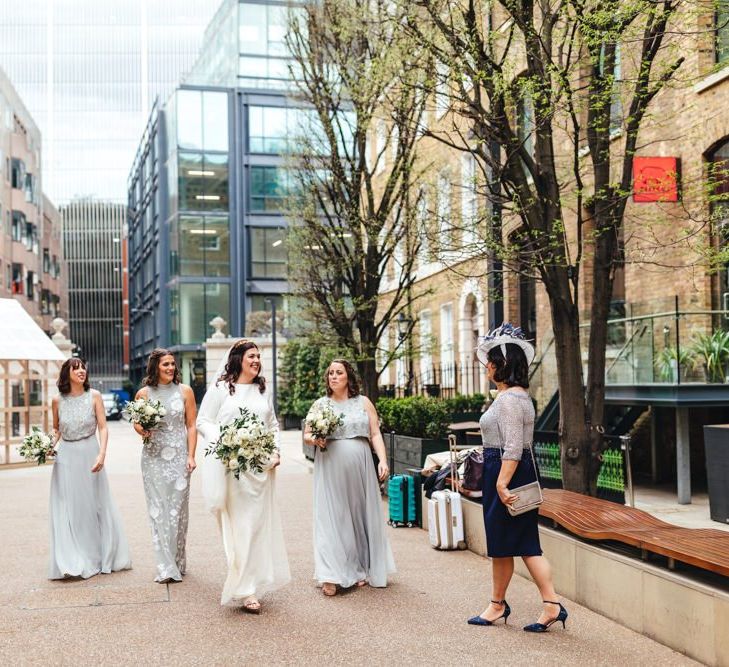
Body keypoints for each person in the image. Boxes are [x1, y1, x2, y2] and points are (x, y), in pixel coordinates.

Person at [469, 323, 568, 633]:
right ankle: (501, 604)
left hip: (505, 470)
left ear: (503, 364)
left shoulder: (511, 399)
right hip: (508, 467)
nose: (487, 366)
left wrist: (500, 482)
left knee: (522, 543)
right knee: (509, 543)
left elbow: (513, 447)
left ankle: (548, 604)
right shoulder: (515, 396)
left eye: (491, 362)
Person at [197, 339, 290, 613]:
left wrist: (276, 451)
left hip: (261, 469)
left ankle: (252, 579)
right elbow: (203, 421)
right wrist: (227, 440)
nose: (256, 360)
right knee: (241, 526)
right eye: (251, 356)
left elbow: (272, 425)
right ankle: (246, 588)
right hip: (233, 467)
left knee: (258, 525)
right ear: (238, 358)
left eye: (259, 356)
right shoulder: (221, 388)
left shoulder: (263, 389)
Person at [304, 359, 395, 597]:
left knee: (358, 516)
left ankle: (360, 567)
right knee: (332, 516)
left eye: (339, 373)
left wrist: (383, 460)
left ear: (348, 377)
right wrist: (315, 439)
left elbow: (374, 433)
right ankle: (330, 574)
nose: (333, 376)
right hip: (330, 466)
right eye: (330, 373)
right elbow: (307, 433)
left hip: (361, 465)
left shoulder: (363, 402)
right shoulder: (320, 404)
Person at [49, 358, 132, 579]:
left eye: (83, 367)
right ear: (66, 374)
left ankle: (98, 555)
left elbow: (103, 428)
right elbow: (57, 429)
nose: (81, 371)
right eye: (76, 368)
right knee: (70, 507)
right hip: (65, 457)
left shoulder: (94, 396)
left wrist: (102, 454)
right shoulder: (57, 401)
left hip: (90, 453)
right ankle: (72, 557)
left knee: (94, 505)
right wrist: (48, 445)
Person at [132, 349, 197, 583]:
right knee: (158, 511)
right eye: (165, 365)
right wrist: (143, 430)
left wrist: (191, 456)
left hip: (179, 458)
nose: (170, 368)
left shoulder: (185, 391)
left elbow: (191, 426)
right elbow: (136, 424)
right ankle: (166, 566)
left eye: (172, 364)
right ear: (155, 368)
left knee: (177, 511)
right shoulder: (143, 394)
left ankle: (178, 559)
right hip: (153, 458)